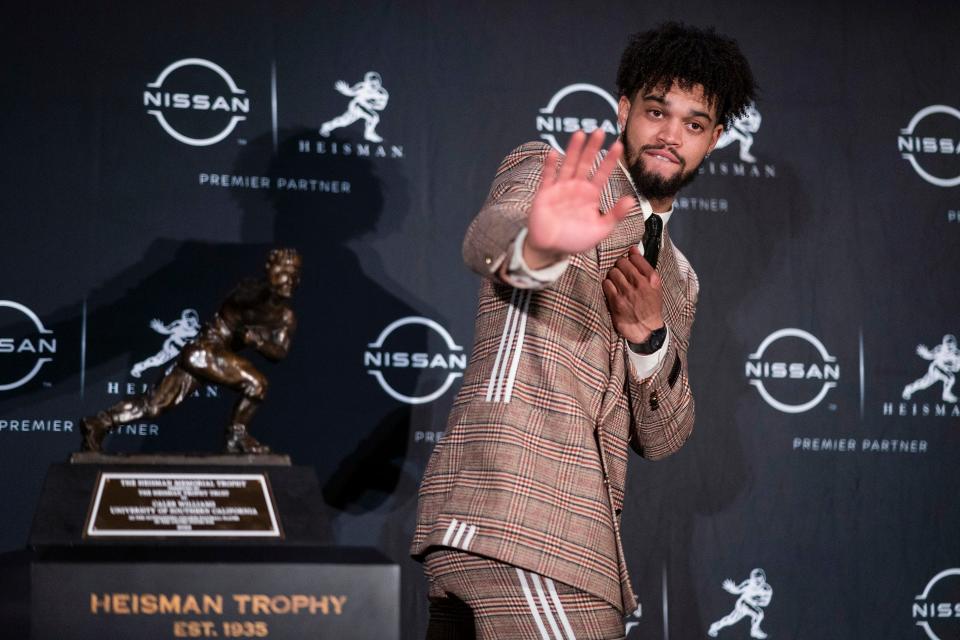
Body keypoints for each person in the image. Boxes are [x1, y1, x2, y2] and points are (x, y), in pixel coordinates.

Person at [411, 22, 757, 639]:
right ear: (625, 110)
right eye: (657, 111)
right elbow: (489, 243)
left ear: (714, 140)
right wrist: (541, 244)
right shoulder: (552, 178)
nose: (671, 135)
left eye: (694, 124)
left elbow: (664, 435)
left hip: (565, 542)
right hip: (521, 519)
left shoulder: (680, 279)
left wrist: (649, 339)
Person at [80, 248, 302, 454]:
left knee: (155, 405)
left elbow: (279, 352)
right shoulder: (249, 290)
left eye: (293, 274)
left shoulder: (286, 318)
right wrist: (268, 292)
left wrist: (257, 342)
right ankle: (236, 436)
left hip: (208, 357)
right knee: (256, 384)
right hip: (205, 349)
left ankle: (99, 423)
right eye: (283, 272)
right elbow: (245, 299)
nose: (288, 279)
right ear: (269, 272)